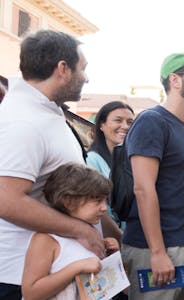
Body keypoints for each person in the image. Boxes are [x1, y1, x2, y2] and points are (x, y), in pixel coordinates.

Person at [0, 30, 103, 299]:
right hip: (21, 277)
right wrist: (82, 230)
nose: (87, 78)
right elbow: (6, 200)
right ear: (63, 69)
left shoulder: (46, 111)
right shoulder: (23, 122)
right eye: (83, 69)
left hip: (56, 269)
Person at [121, 52, 184, 299]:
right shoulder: (152, 121)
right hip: (156, 249)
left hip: (177, 244)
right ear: (174, 80)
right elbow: (143, 189)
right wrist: (157, 252)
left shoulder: (177, 126)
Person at [21, 163, 120, 299]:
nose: (104, 208)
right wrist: (77, 267)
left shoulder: (91, 234)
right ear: (69, 202)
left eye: (105, 201)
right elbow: (30, 293)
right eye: (97, 201)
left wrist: (110, 256)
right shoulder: (46, 240)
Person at [87, 100, 135, 233]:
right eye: (118, 120)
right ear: (102, 125)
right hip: (107, 238)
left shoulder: (134, 162)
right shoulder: (92, 161)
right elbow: (97, 207)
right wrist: (119, 238)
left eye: (130, 122)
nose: (125, 126)